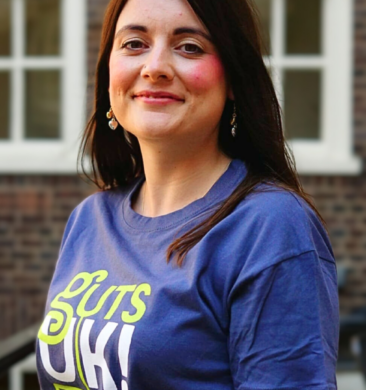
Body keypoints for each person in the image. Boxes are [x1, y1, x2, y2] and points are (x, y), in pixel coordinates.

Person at [36, 0, 339, 389]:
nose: (155, 67)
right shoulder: (89, 219)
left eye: (190, 47)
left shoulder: (271, 228)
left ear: (233, 80)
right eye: (134, 44)